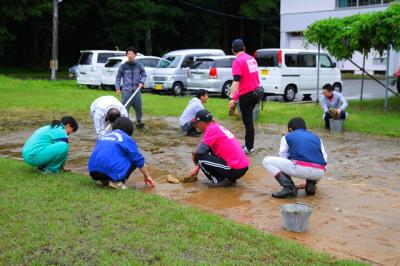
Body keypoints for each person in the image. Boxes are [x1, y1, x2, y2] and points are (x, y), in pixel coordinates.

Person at [262, 117, 327, 198]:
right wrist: (316, 179)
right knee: (312, 159)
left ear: (290, 129)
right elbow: (324, 159)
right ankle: (311, 185)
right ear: (305, 128)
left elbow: (283, 156)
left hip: (301, 169)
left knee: (267, 160)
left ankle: (289, 187)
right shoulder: (317, 138)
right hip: (319, 172)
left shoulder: (287, 136)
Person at [88, 117, 155, 190]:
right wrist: (147, 176)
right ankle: (117, 182)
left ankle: (103, 181)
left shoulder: (105, 135)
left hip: (93, 171)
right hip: (109, 171)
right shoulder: (125, 138)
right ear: (129, 129)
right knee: (133, 158)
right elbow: (138, 159)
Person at [189, 110, 249, 187]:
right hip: (241, 167)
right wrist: (197, 168)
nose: (196, 126)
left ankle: (218, 181)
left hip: (235, 168)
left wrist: (194, 157)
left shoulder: (211, 129)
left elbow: (199, 152)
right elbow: (205, 150)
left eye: (197, 124)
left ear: (201, 123)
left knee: (198, 156)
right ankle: (229, 179)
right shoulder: (216, 126)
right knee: (204, 153)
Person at [229, 38, 261, 154]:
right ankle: (249, 145)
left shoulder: (237, 62)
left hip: (246, 96)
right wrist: (236, 97)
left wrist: (232, 98)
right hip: (256, 93)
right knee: (249, 121)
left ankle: (249, 147)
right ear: (244, 48)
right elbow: (249, 80)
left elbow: (236, 81)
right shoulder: (251, 59)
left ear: (233, 50)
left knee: (248, 122)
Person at [115, 46, 146, 129]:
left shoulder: (139, 65)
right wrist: (117, 88)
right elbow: (118, 78)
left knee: (139, 108)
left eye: (132, 54)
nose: (130, 55)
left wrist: (141, 82)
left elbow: (144, 74)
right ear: (126, 55)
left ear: (135, 55)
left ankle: (139, 122)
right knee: (124, 109)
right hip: (126, 91)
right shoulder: (123, 66)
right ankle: (126, 124)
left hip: (136, 91)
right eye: (128, 54)